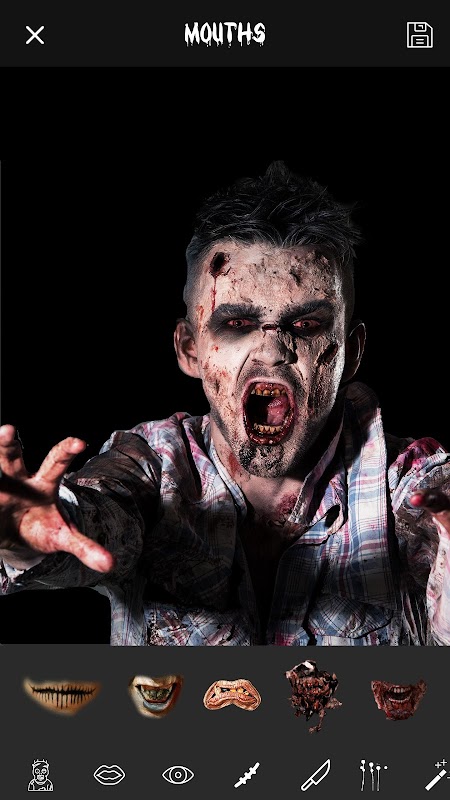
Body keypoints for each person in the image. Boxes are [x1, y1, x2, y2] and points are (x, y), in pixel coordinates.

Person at [1, 160, 450, 646]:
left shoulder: (408, 483)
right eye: (237, 324)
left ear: (352, 351)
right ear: (189, 349)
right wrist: (26, 536)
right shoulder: (151, 467)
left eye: (306, 325)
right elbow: (97, 515)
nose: (272, 351)